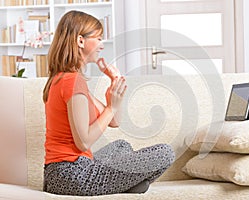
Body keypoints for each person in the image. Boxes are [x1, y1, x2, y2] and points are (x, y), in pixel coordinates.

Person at [42, 10, 175, 196]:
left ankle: (127, 186)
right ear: (80, 41)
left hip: (64, 173)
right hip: (71, 175)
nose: (101, 45)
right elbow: (83, 142)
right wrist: (111, 106)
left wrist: (115, 82)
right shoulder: (72, 82)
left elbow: (114, 122)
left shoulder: (66, 79)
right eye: (98, 38)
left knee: (121, 146)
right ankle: (128, 186)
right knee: (165, 153)